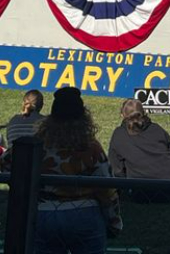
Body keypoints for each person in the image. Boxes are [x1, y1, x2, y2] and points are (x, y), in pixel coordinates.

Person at [34, 87, 122, 254]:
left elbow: (7, 162)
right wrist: (114, 221)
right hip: (84, 213)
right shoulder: (92, 148)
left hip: (44, 212)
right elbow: (107, 188)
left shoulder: (37, 144)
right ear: (83, 116)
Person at [108, 99, 170, 203]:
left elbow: (116, 170)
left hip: (143, 191)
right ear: (144, 113)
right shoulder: (157, 129)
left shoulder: (118, 135)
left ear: (122, 115)